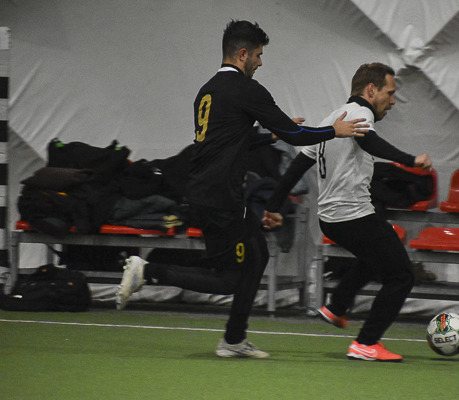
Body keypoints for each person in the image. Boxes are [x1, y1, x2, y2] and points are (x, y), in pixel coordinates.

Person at [115, 20, 368, 359]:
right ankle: (147, 271)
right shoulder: (248, 89)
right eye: (259, 56)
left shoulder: (207, 91)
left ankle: (234, 339)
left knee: (257, 255)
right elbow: (297, 136)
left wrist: (269, 136)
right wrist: (334, 131)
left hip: (209, 191)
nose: (261, 63)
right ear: (243, 54)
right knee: (229, 279)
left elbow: (228, 141)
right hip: (220, 197)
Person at [263, 62, 432, 362]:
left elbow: (297, 165)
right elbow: (370, 141)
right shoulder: (360, 114)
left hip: (331, 220)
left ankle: (337, 306)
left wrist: (272, 206)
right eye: (390, 93)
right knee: (402, 276)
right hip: (353, 215)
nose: (393, 101)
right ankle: (366, 343)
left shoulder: (332, 118)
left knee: (374, 256)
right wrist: (411, 160)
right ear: (371, 90)